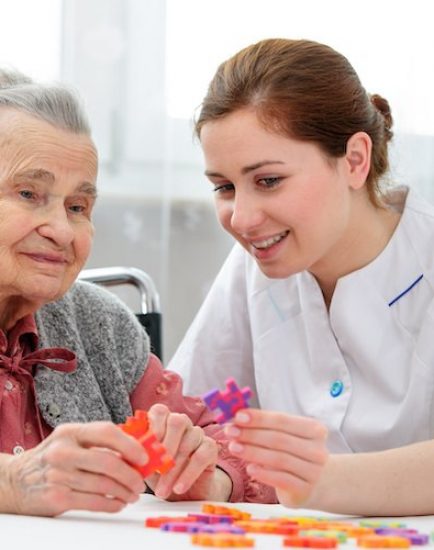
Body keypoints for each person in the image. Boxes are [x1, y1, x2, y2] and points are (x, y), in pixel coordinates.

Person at [0, 68, 328, 516]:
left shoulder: (103, 326)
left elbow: (228, 445)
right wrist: (12, 482)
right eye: (28, 193)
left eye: (78, 207)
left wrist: (203, 475)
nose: (61, 229)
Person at [168, 37, 434, 516]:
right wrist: (195, 465)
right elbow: (198, 409)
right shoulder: (256, 264)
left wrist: (323, 482)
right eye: (224, 187)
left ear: (355, 160)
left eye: (268, 180)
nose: (243, 218)